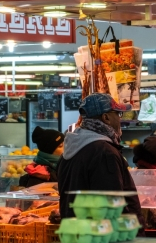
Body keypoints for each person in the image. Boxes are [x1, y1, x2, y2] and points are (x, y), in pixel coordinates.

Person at [57, 93, 142, 222]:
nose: (120, 119)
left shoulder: (70, 150)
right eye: (118, 114)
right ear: (106, 117)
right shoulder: (104, 153)